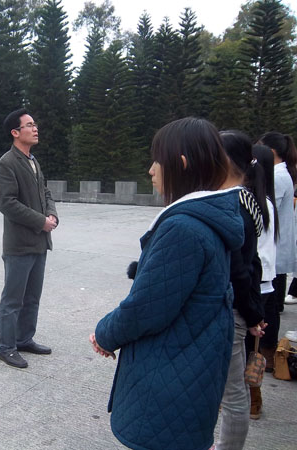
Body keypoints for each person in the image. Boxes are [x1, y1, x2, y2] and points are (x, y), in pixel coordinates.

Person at [90, 117, 244, 450]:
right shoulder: (209, 217)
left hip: (172, 376)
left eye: (157, 160)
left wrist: (104, 334)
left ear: (181, 163)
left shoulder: (184, 228)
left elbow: (146, 308)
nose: (151, 170)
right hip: (194, 368)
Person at [0, 108, 58, 369]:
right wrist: (41, 221)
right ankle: (5, 347)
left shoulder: (33, 160)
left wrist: (52, 214)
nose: (35, 128)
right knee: (13, 299)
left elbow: (46, 192)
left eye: (35, 124)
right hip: (19, 244)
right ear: (15, 132)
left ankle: (23, 339)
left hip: (39, 242)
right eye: (29, 125)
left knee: (32, 297)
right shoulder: (6, 163)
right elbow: (7, 204)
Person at [215, 131, 266, 450]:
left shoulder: (232, 205)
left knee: (233, 395)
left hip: (231, 310)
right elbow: (253, 264)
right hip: (239, 307)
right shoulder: (247, 200)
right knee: (231, 392)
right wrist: (255, 312)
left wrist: (250, 314)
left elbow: (239, 271)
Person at [245, 143, 278, 420]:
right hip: (264, 282)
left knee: (243, 346)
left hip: (254, 282)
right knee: (249, 345)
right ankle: (252, 400)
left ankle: (251, 401)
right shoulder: (266, 200)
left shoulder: (252, 202)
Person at [258, 132, 297, 316]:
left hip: (276, 241)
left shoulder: (277, 176)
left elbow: (270, 209)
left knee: (272, 303)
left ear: (271, 151)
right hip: (278, 240)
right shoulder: (280, 173)